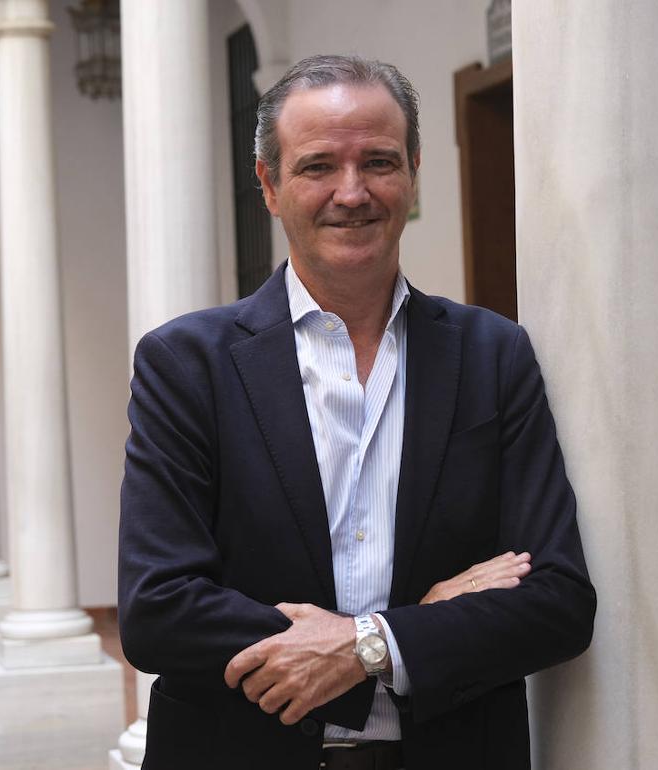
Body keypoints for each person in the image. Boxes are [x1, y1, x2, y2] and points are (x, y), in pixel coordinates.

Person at [118, 54, 595, 770]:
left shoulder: (494, 356)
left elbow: (556, 601)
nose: (352, 192)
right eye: (317, 167)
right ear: (270, 186)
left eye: (378, 161)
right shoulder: (187, 365)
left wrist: (370, 643)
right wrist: (418, 626)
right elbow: (158, 610)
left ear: (413, 174)